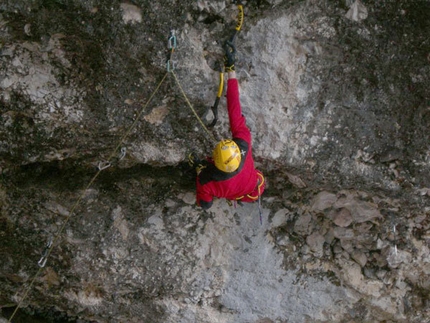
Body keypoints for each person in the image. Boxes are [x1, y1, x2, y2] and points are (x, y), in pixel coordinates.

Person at [192, 41, 265, 210]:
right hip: (248, 187)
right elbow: (234, 108)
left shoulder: (207, 180)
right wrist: (231, 69)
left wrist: (198, 171)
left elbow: (205, 204)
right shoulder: (243, 143)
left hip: (241, 189)